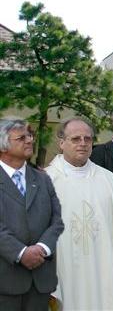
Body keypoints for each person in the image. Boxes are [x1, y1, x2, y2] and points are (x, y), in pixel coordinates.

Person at [45, 118, 113, 310]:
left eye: (88, 139)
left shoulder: (108, 180)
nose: (82, 143)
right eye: (75, 139)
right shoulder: (47, 181)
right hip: (63, 272)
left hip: (105, 271)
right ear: (61, 143)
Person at [0, 117, 64, 310]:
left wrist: (42, 248)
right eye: (21, 138)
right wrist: (21, 253)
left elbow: (56, 221)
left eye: (30, 135)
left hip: (40, 281)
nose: (29, 140)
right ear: (3, 145)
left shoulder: (43, 179)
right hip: (5, 280)